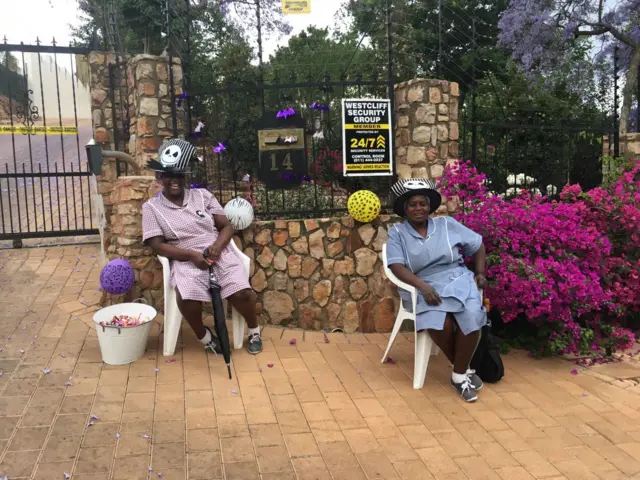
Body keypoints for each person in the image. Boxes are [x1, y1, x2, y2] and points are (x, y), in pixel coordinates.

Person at [142, 139, 263, 355]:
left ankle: (254, 330)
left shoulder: (202, 196)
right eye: (169, 175)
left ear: (185, 176)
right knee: (187, 299)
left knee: (242, 293)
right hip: (186, 258)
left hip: (218, 252)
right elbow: (158, 246)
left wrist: (217, 246)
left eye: (179, 174)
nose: (174, 180)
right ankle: (205, 337)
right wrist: (190, 255)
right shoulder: (151, 208)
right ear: (160, 178)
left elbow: (227, 225)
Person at [386, 178, 487, 402]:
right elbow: (395, 265)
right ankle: (464, 370)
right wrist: (422, 286)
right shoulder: (397, 233)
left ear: (429, 206)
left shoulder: (446, 224)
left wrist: (480, 273)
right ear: (404, 208)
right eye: (412, 204)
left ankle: (459, 375)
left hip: (457, 278)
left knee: (471, 315)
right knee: (440, 323)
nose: (418, 208)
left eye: (422, 203)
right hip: (421, 284)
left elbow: (478, 244)